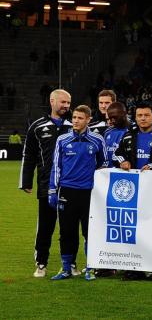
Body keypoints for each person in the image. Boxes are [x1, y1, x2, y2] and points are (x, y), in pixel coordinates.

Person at [48, 105, 106, 281]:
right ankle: (67, 267)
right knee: (67, 231)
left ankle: (90, 267)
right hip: (67, 191)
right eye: (74, 117)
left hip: (89, 193)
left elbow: (103, 165)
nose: (75, 121)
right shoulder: (62, 140)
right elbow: (56, 166)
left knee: (90, 232)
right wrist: (52, 189)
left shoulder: (97, 140)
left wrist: (99, 187)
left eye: (80, 118)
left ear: (88, 119)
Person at [21, 89, 72, 278]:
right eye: (63, 102)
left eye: (68, 103)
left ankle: (70, 263)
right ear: (52, 101)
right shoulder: (37, 126)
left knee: (69, 228)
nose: (66, 106)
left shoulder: (75, 125)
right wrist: (26, 181)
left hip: (71, 185)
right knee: (45, 227)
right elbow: (29, 155)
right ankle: (41, 263)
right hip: (46, 185)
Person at [114, 103, 152, 171]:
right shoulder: (128, 136)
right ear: (135, 117)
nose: (143, 118)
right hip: (133, 179)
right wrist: (123, 162)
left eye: (146, 115)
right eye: (139, 115)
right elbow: (116, 155)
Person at [102, 101, 129, 167]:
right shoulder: (107, 132)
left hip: (127, 172)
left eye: (115, 117)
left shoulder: (133, 131)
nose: (112, 120)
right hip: (108, 173)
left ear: (124, 114)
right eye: (110, 118)